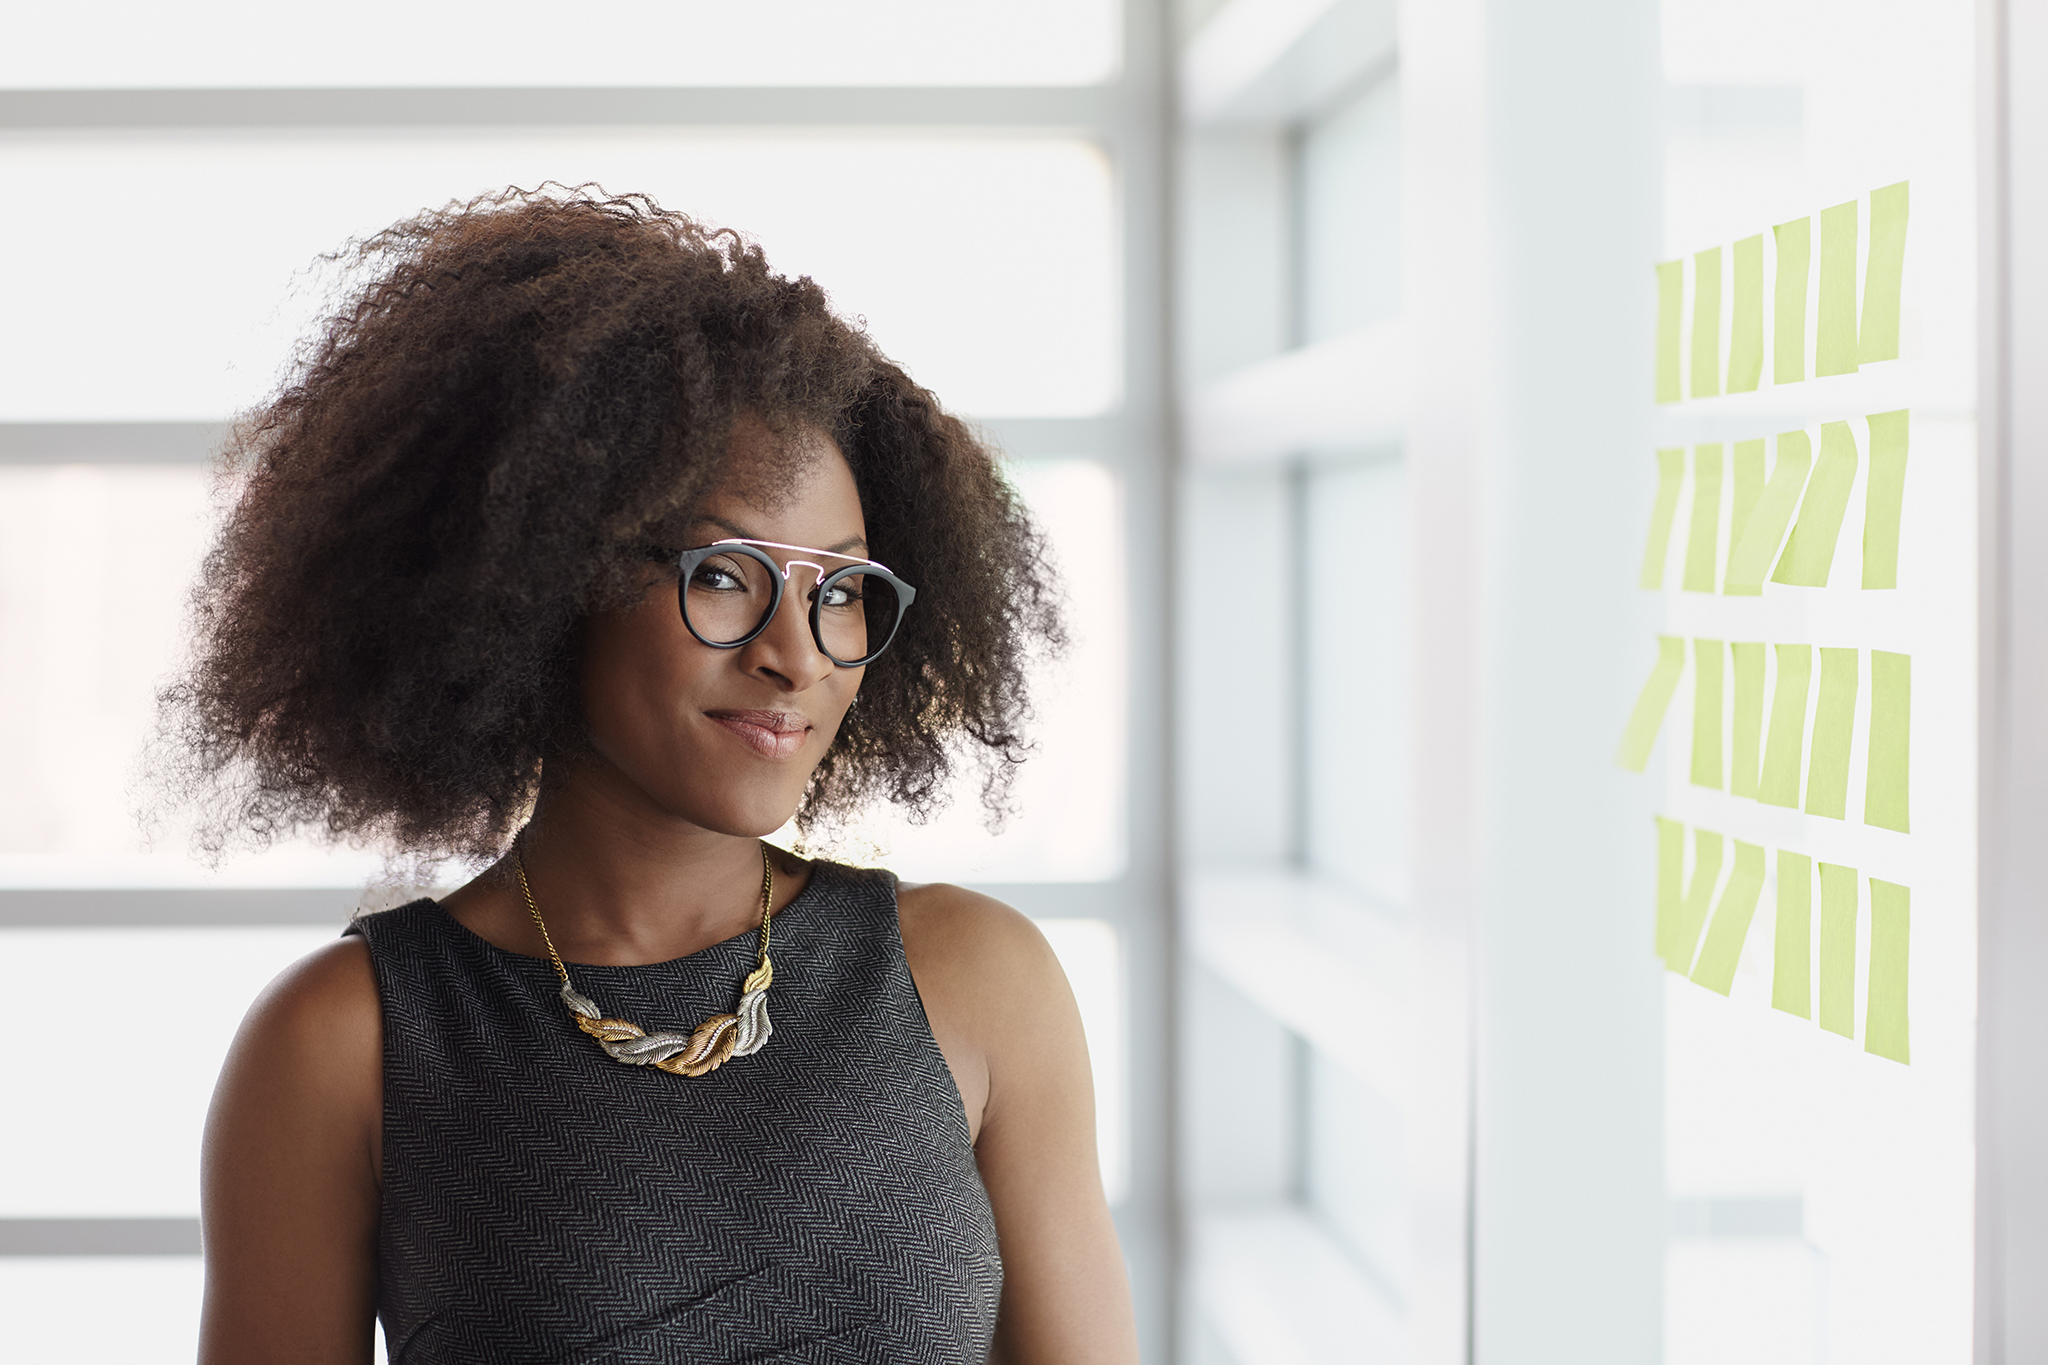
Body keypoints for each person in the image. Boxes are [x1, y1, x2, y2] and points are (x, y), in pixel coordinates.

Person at [172, 189, 1138, 1364]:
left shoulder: (977, 986)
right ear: (540, 573)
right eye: (726, 575)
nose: (794, 653)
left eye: (838, 590)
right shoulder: (346, 1042)